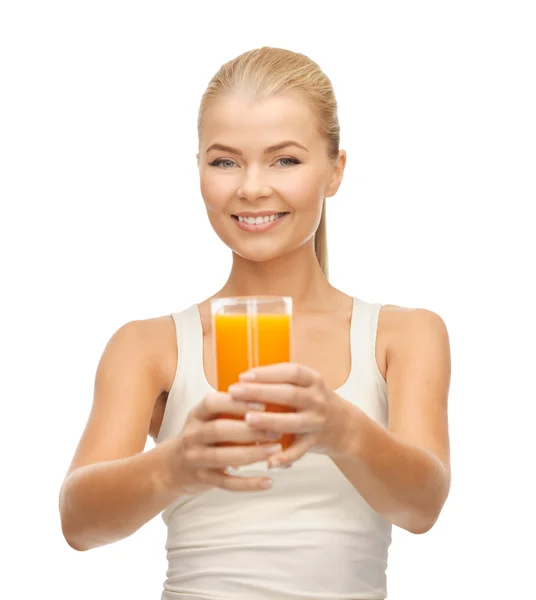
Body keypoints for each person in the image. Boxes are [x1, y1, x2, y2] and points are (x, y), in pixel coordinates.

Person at [59, 47, 451, 600]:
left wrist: (343, 429)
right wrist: (173, 464)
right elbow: (79, 523)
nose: (251, 187)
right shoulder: (149, 346)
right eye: (224, 161)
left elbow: (422, 506)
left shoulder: (402, 336)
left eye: (285, 160)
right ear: (198, 168)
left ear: (335, 171)